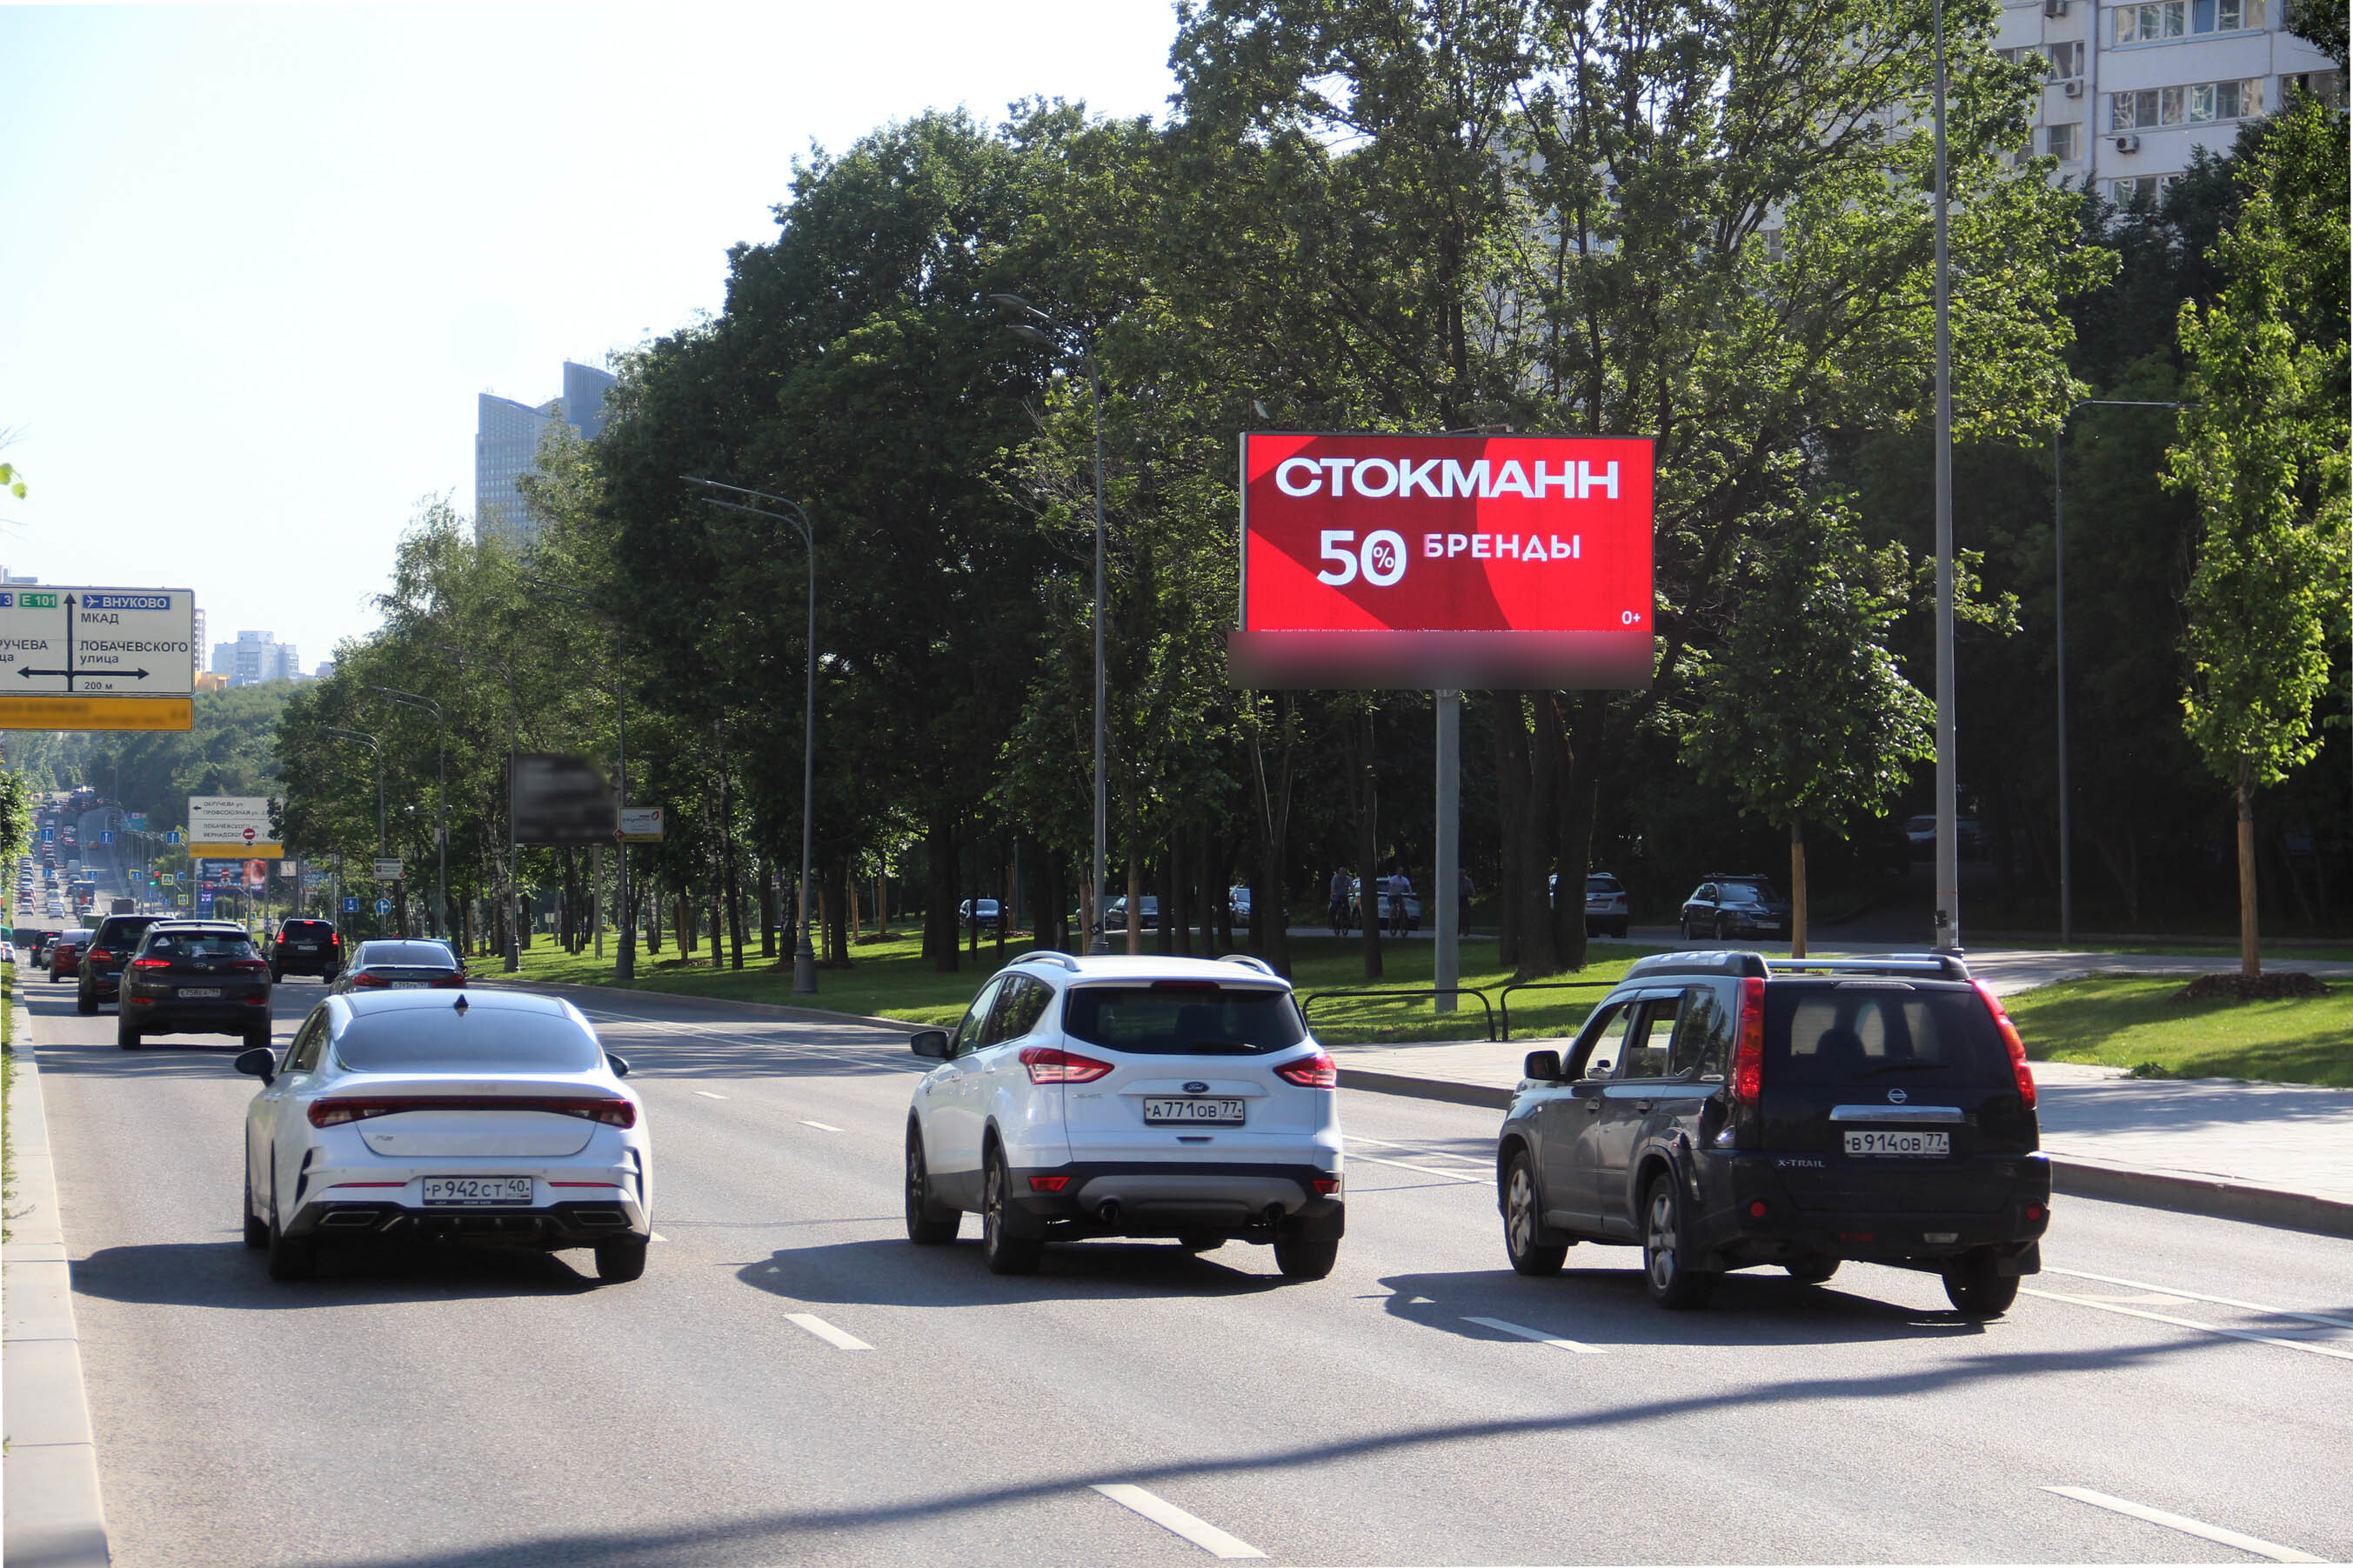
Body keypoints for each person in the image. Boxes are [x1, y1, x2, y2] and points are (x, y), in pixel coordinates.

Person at [1387, 866, 1413, 936]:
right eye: (1399, 871)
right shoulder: (1393, 879)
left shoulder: (1404, 879)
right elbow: (1391, 886)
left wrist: (1410, 892)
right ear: (1397, 872)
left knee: (1403, 906)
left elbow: (1408, 886)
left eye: (1402, 871)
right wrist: (1391, 890)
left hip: (1399, 895)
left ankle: (1403, 918)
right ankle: (1390, 922)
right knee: (1392, 908)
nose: (1401, 872)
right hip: (1391, 896)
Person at [1328, 867, 1351, 937]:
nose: (1343, 875)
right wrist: (1333, 893)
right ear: (1339, 873)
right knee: (1334, 907)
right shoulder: (1335, 878)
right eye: (1341, 873)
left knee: (1347, 908)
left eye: (1344, 873)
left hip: (1344, 896)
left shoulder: (1348, 879)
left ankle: (1346, 919)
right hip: (1336, 896)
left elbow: (1352, 887)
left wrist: (1353, 893)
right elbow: (1332, 887)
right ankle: (1333, 920)